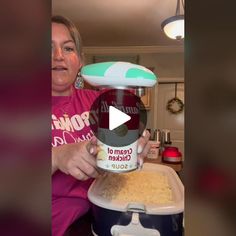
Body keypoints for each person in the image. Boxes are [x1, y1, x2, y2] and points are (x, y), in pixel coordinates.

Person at [51, 15, 150, 236]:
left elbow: (126, 137)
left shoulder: (100, 101)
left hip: (103, 218)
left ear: (80, 60)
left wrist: (137, 143)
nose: (58, 56)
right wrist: (56, 156)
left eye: (68, 48)